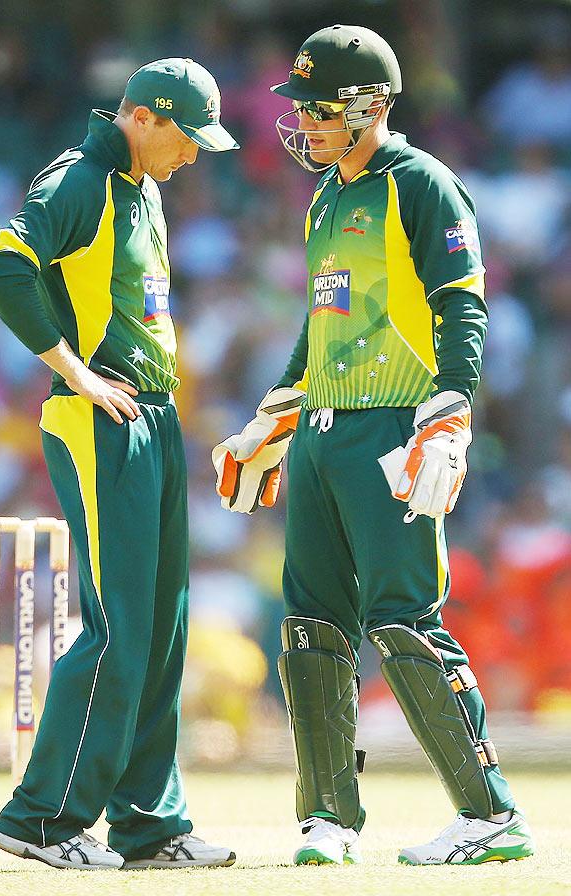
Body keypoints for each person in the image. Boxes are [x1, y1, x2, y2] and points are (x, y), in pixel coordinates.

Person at [212, 25, 535, 867]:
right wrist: (270, 419)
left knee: (405, 621)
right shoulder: (327, 193)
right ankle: (329, 819)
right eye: (303, 108)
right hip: (323, 430)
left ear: (372, 106)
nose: (305, 124)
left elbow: (462, 304)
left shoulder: (422, 185)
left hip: (396, 424)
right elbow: (320, 326)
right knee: (310, 626)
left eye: (320, 109)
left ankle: (490, 815)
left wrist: (451, 411)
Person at [0, 57, 239, 870]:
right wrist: (77, 372)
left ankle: (147, 824)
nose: (193, 155)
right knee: (120, 627)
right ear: (143, 117)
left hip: (152, 417)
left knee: (161, 630)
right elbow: (4, 266)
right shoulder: (81, 178)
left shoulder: (143, 188)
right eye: (187, 137)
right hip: (100, 416)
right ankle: (42, 820)